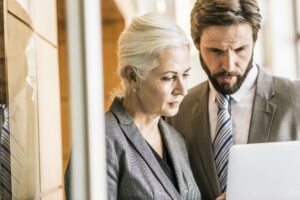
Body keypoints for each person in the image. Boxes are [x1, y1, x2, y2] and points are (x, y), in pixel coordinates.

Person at [167, 0, 300, 200]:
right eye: (216, 51)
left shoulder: (295, 99)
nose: (229, 64)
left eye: (240, 50)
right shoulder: (177, 110)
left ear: (254, 41)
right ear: (197, 45)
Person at [65, 12, 201, 199]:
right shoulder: (99, 140)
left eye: (185, 74)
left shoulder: (177, 140)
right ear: (132, 76)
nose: (182, 89)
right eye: (169, 77)